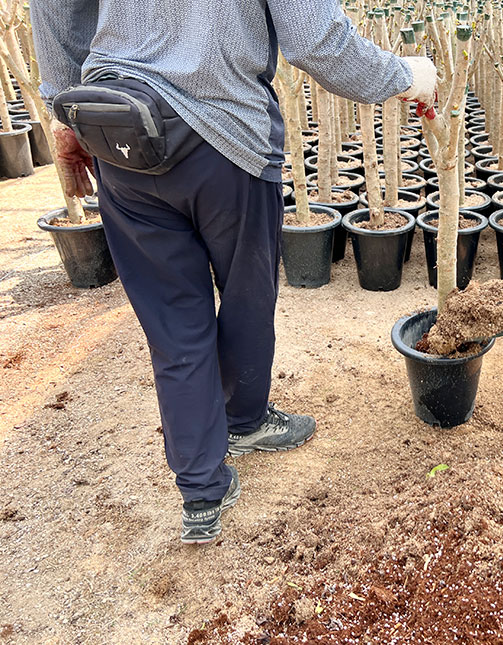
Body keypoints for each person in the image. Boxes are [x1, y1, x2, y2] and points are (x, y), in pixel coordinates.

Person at [31, 0, 437, 543]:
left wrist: (65, 111)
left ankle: (201, 489)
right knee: (246, 297)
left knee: (173, 324)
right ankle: (244, 423)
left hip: (119, 131)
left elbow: (55, 10)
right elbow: (316, 40)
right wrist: (406, 75)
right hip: (225, 138)